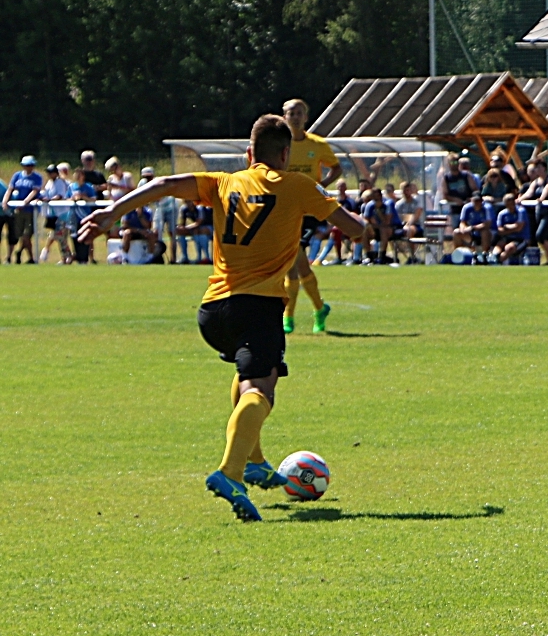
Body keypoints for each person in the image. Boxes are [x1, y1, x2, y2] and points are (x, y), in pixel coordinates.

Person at [76, 114, 365, 522]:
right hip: (258, 307)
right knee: (262, 391)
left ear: (249, 154)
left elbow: (161, 185)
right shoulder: (298, 186)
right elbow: (353, 229)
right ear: (285, 155)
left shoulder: (223, 182)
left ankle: (255, 460)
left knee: (247, 373)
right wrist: (354, 218)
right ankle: (230, 472)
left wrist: (111, 214)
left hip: (213, 311)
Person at [280, 99, 342, 335]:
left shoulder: (317, 144)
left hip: (307, 211)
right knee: (299, 265)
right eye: (290, 113)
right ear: (284, 116)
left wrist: (320, 187)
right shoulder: (280, 145)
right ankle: (319, 308)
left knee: (293, 262)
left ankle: (289, 317)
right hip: (285, 209)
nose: (295, 117)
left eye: (299, 113)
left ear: (305, 117)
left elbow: (336, 168)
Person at [7, 156, 44, 263]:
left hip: (30, 210)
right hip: (19, 210)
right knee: (19, 235)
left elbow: (35, 191)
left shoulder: (37, 177)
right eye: (28, 165)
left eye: (32, 165)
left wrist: (25, 202)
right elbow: (10, 189)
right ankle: (22, 254)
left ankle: (30, 258)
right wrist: (6, 201)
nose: (30, 167)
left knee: (26, 235)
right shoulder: (17, 176)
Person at [494, 193, 528, 264]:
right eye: (508, 204)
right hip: (507, 238)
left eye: (512, 204)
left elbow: (519, 228)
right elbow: (499, 230)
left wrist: (506, 227)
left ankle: (498, 262)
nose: (510, 206)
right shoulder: (502, 214)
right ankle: (494, 257)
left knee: (509, 248)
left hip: (520, 238)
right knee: (498, 246)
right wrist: (513, 228)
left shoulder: (521, 211)